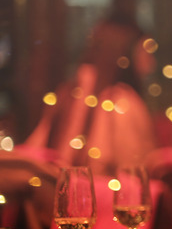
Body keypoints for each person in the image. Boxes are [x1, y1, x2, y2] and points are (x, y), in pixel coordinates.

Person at [22, 13, 157, 176]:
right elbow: (39, 151)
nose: (151, 64)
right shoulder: (73, 94)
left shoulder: (123, 103)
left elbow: (132, 174)